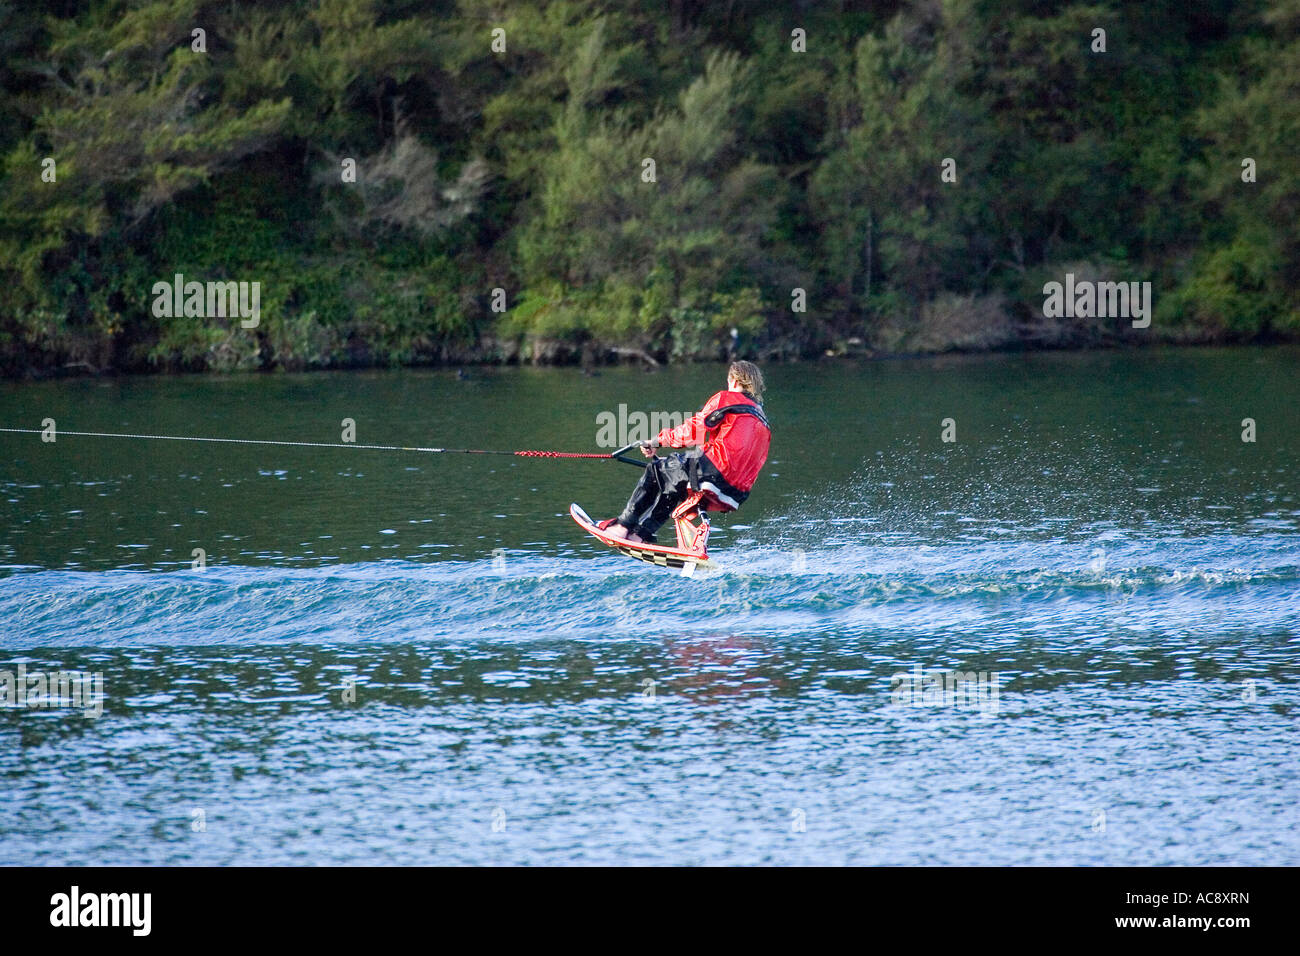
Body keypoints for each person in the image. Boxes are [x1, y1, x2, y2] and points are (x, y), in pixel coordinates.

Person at [600, 361, 771, 545]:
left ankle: (622, 527)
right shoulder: (764, 421)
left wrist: (658, 441)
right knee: (674, 482)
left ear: (735, 382)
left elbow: (693, 432)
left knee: (655, 469)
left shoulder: (726, 399)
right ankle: (641, 535)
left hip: (713, 472)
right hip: (737, 492)